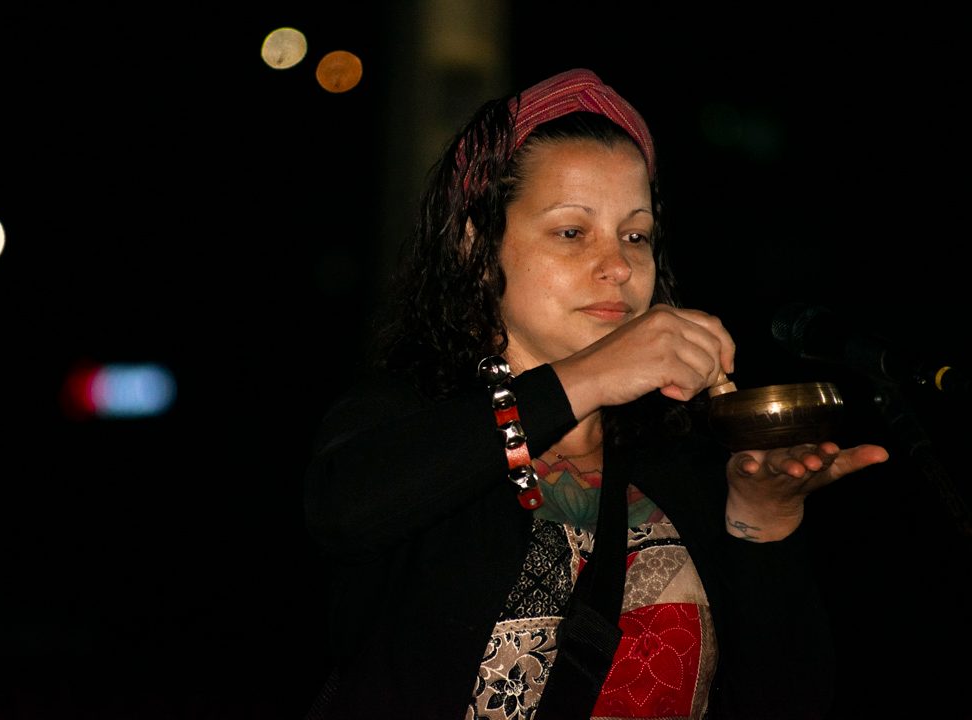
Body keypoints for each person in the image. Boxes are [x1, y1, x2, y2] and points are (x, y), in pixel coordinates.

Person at [302, 67, 889, 719]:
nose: (618, 266)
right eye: (572, 231)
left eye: (635, 235)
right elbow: (341, 513)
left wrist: (765, 525)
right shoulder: (408, 422)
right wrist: (586, 379)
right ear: (477, 245)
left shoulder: (679, 459)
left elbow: (790, 700)